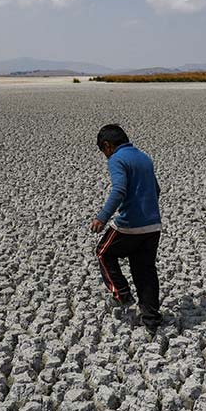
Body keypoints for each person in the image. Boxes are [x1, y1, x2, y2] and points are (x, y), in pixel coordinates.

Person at [90, 124, 163, 336]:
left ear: (108, 146)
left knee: (103, 252)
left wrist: (102, 218)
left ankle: (122, 295)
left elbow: (119, 190)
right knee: (145, 270)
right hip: (153, 225)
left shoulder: (117, 159)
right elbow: (156, 189)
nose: (104, 156)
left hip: (129, 225)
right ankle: (151, 321)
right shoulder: (144, 157)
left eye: (103, 151)